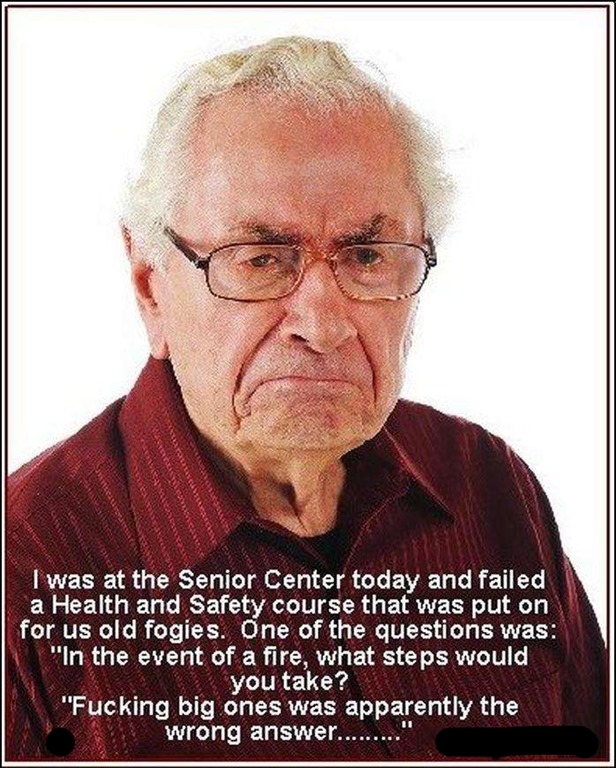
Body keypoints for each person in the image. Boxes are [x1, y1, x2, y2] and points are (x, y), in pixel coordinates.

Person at [7, 37, 606, 761]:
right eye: (259, 258)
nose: (322, 325)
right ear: (149, 286)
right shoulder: (25, 569)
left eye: (367, 256)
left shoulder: (490, 486)